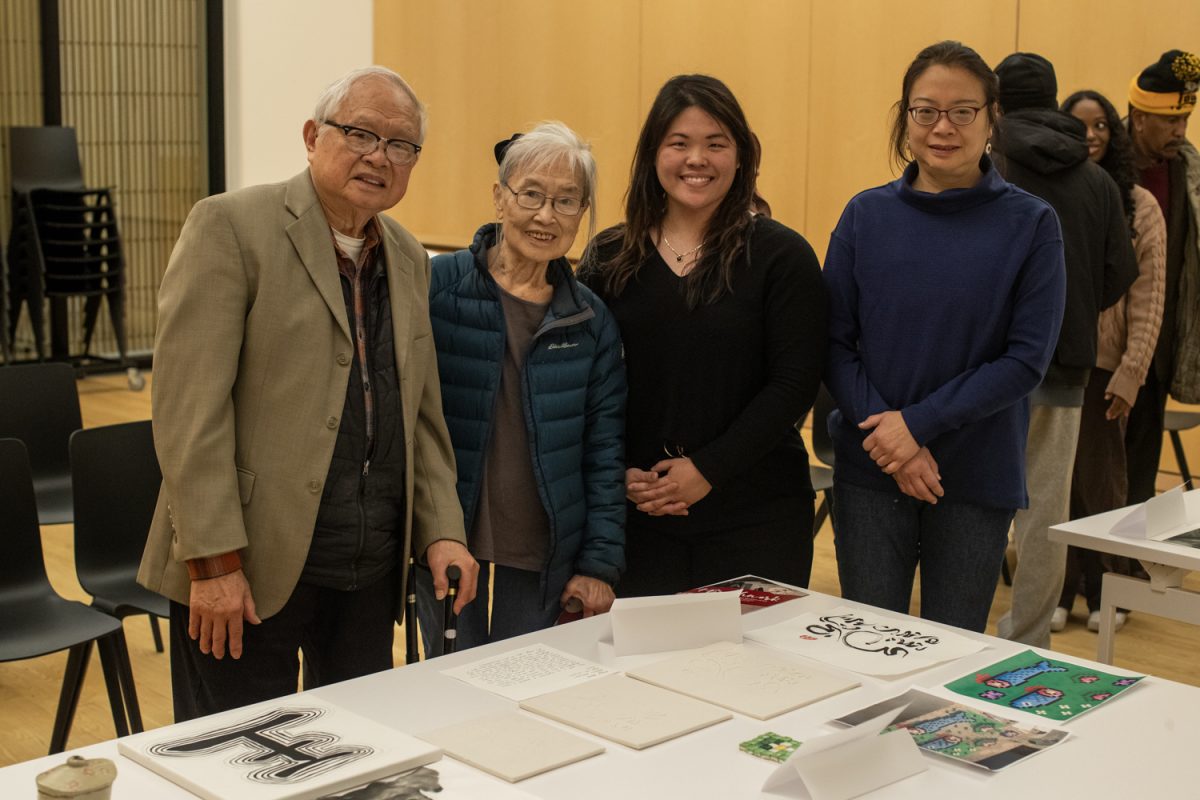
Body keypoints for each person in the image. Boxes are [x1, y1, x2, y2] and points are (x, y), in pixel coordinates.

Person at [138, 67, 479, 720]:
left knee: (356, 758)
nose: (379, 156)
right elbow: (189, 415)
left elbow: (423, 419)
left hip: (365, 569)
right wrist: (213, 566)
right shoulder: (232, 227)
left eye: (401, 145)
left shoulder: (409, 257)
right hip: (247, 567)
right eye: (359, 133)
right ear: (311, 136)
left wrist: (441, 531)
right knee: (239, 766)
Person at [822, 41, 1066, 633]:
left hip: (975, 475)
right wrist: (892, 440)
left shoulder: (1032, 224)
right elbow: (833, 342)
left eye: (963, 111)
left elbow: (1026, 360)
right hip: (871, 471)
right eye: (925, 110)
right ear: (905, 118)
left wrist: (917, 427)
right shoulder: (865, 216)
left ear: (991, 118)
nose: (943, 127)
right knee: (865, 647)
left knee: (952, 653)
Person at [579, 74, 827, 596]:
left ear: (741, 157)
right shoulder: (608, 258)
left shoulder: (782, 257)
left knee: (754, 674)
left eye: (716, 144)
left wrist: (707, 469)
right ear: (652, 154)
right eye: (679, 143)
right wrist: (617, 472)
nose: (698, 159)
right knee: (640, 675)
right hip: (639, 515)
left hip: (757, 513)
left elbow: (794, 383)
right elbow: (582, 383)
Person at [415, 122, 626, 651]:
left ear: (582, 215)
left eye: (566, 201)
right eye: (531, 193)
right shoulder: (437, 287)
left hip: (543, 550)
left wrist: (599, 564)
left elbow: (605, 449)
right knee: (448, 691)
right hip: (446, 539)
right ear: (499, 198)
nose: (546, 215)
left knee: (525, 691)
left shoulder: (589, 318)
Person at [989, 52, 1137, 648]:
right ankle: (1027, 639)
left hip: (988, 368)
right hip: (1067, 366)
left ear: (996, 100)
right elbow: (1117, 276)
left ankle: (959, 636)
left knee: (976, 508)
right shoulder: (1097, 180)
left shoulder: (986, 166)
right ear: (1054, 101)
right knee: (1047, 516)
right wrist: (1070, 315)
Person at [1054, 89, 1166, 633]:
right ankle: (1062, 592)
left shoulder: (1140, 205)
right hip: (1055, 365)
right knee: (1059, 484)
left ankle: (1106, 594)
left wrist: (1131, 373)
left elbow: (1150, 300)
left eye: (1102, 126)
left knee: (1103, 488)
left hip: (1106, 369)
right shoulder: (1054, 193)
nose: (1092, 135)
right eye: (1081, 125)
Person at [1124, 49, 1200, 506]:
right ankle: (1086, 572)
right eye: (1170, 120)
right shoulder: (1103, 167)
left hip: (1162, 342)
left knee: (1142, 462)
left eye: (1185, 119)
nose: (1180, 131)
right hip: (1109, 348)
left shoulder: (1188, 169)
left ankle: (1128, 568)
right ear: (1137, 118)